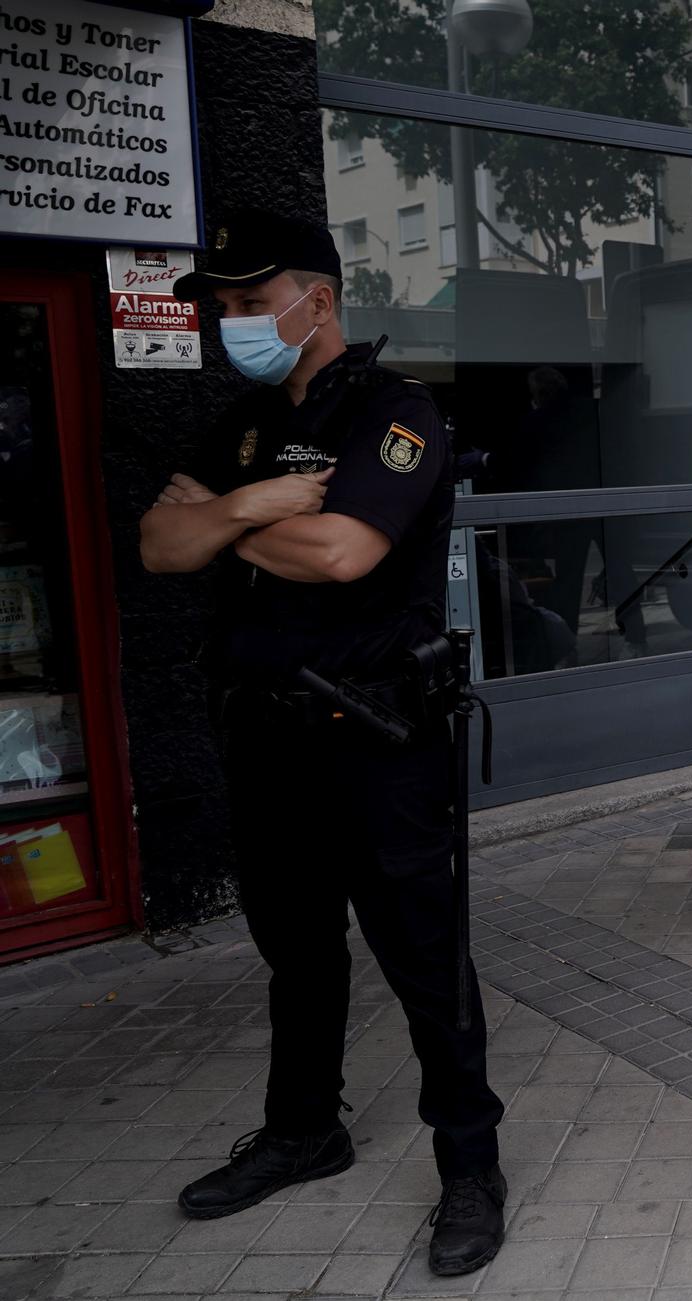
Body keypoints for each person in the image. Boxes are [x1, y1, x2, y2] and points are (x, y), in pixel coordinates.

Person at [138, 210, 506, 1275]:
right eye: (227, 307)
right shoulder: (246, 428)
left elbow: (344, 551)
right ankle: (307, 1128)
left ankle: (470, 1161)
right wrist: (255, 502)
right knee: (296, 953)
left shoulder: (397, 416)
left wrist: (223, 523)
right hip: (265, 737)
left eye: (254, 304)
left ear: (318, 301)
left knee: (425, 962)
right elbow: (161, 544)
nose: (236, 324)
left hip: (377, 738)